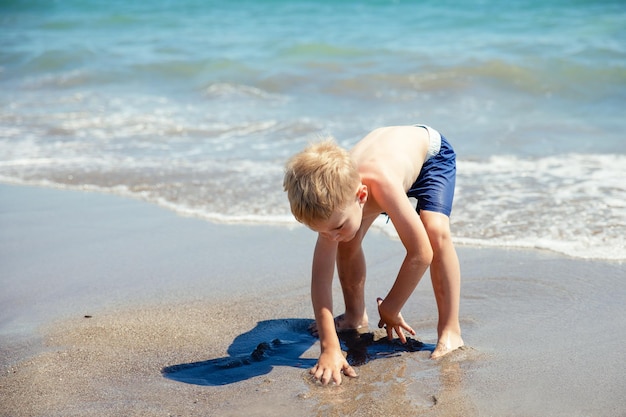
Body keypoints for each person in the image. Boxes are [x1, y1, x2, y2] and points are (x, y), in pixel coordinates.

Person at [283, 124, 464, 385]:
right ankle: (355, 314)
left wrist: (391, 307)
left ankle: (451, 329)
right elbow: (320, 280)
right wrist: (329, 348)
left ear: (361, 196)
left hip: (429, 157)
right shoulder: (335, 206)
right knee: (348, 239)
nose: (330, 236)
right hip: (384, 163)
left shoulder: (380, 184)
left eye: (335, 227)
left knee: (434, 232)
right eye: (323, 233)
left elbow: (420, 253)